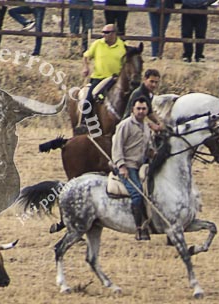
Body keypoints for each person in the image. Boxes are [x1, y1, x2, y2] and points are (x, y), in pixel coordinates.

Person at [113, 96, 154, 241]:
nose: (141, 111)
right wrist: (121, 166)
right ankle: (139, 228)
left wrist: (152, 152)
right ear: (133, 109)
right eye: (138, 109)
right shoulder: (125, 125)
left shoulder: (146, 127)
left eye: (144, 109)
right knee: (137, 194)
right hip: (128, 166)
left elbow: (147, 148)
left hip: (141, 166)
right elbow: (117, 147)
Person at [80, 24, 127, 129]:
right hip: (98, 78)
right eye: (103, 32)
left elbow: (127, 64)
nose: (103, 35)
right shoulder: (97, 44)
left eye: (106, 32)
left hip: (115, 79)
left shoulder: (123, 47)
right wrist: (85, 67)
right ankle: (84, 121)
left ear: (114, 34)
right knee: (90, 97)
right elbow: (86, 56)